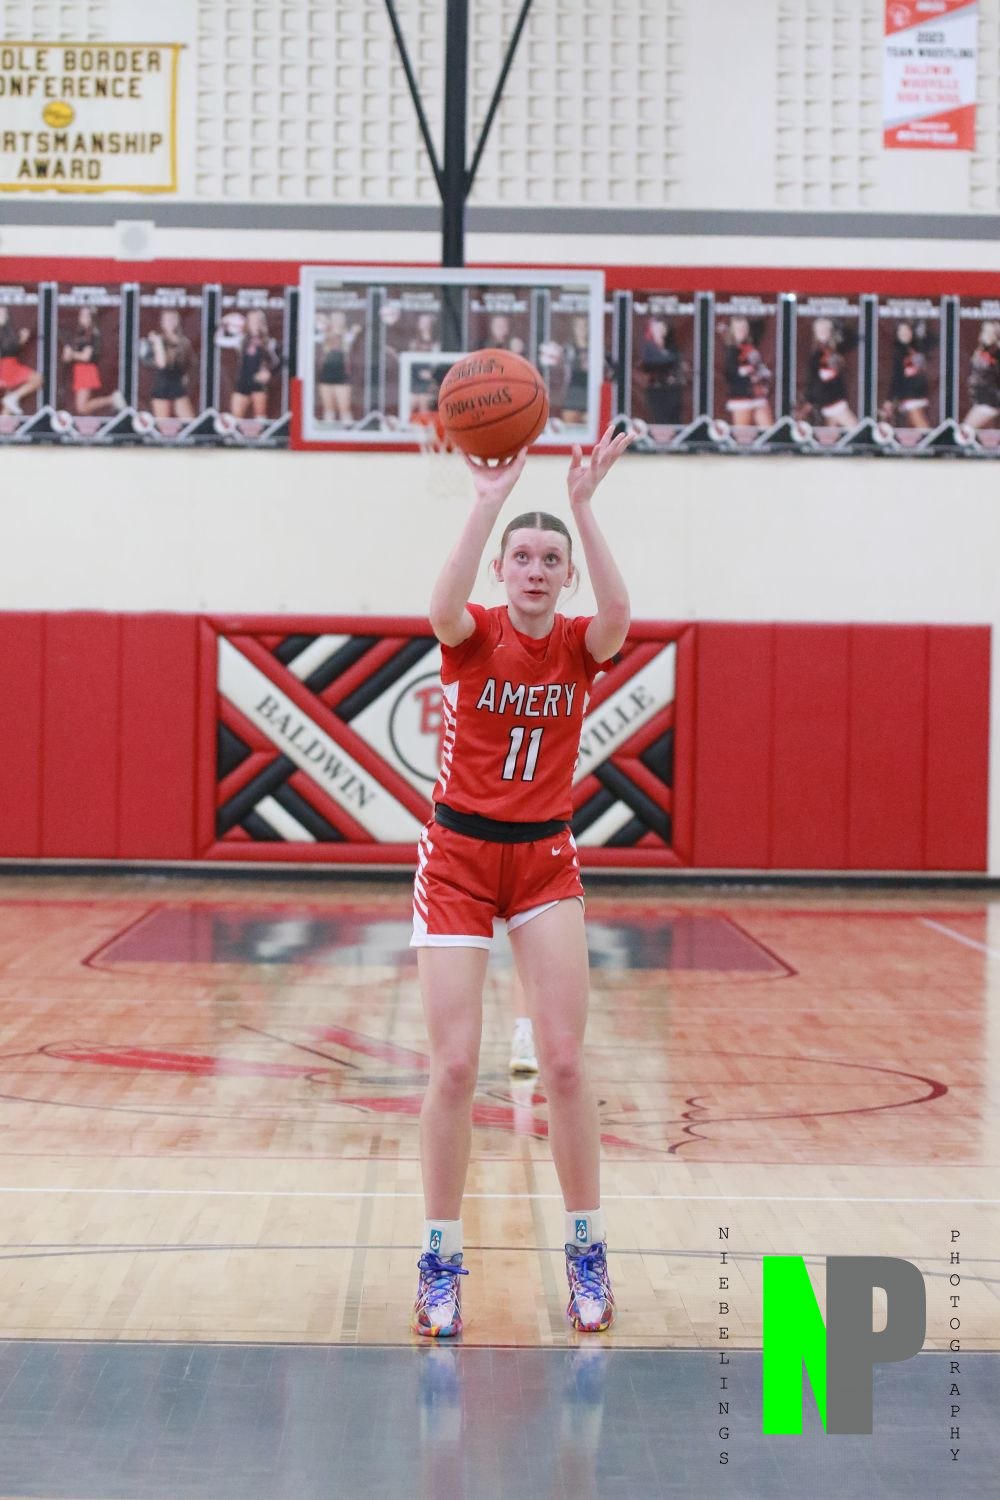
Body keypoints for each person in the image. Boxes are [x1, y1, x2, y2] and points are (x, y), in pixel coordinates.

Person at [410, 421, 633, 1340]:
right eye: (523, 558)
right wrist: (487, 503)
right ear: (502, 571)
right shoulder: (474, 636)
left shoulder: (581, 642)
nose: (536, 570)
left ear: (566, 576)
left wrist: (584, 507)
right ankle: (439, 1261)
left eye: (552, 560)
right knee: (458, 1066)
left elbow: (621, 616)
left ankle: (587, 1249)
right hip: (459, 858)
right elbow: (439, 604)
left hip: (543, 856)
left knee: (567, 1062)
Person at [61, 305, 125, 416]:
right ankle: (111, 400)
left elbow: (86, 356)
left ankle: (111, 399)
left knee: (82, 407)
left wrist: (72, 354)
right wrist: (67, 354)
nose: (82, 318)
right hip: (78, 370)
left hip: (86, 370)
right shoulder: (78, 333)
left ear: (92, 318)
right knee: (82, 407)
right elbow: (68, 357)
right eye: (81, 315)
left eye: (86, 315)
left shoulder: (92, 334)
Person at [228, 308, 281, 420]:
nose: (253, 323)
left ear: (261, 322)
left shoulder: (269, 342)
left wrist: (269, 373)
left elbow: (279, 361)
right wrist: (225, 321)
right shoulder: (241, 340)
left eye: (256, 320)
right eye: (251, 320)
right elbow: (218, 340)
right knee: (235, 419)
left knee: (260, 419)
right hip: (243, 382)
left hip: (258, 384)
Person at [804, 317, 857, 428]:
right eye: (819, 330)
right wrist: (810, 400)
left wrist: (839, 325)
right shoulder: (815, 356)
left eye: (825, 329)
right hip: (832, 402)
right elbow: (813, 380)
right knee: (856, 429)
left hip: (835, 399)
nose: (822, 332)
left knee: (830, 435)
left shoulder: (837, 349)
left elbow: (853, 340)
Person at [143, 309, 195, 421]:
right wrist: (158, 342)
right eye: (166, 319)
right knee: (163, 424)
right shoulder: (156, 339)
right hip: (162, 386)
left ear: (177, 321)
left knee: (190, 422)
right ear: (161, 322)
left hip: (178, 387)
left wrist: (185, 376)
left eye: (172, 319)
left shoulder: (184, 341)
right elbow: (162, 363)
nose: (170, 322)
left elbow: (189, 363)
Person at [721, 316, 773, 427]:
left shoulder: (751, 345)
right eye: (738, 329)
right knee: (744, 433)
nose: (742, 331)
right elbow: (731, 372)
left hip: (758, 394)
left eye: (744, 328)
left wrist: (762, 375)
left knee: (770, 431)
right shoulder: (731, 350)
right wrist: (747, 371)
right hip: (742, 396)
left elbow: (760, 324)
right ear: (732, 331)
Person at [882, 320, 934, 430]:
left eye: (907, 330)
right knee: (923, 427)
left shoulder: (918, 347)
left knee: (919, 427)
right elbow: (896, 378)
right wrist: (889, 399)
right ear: (897, 334)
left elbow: (933, 340)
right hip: (909, 396)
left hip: (921, 395)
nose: (905, 334)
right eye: (901, 331)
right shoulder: (898, 353)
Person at [638, 315, 686, 426]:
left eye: (663, 328)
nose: (661, 331)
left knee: (673, 418)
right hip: (656, 390)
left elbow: (677, 361)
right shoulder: (649, 348)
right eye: (657, 328)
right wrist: (669, 360)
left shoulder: (672, 346)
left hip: (673, 390)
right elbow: (651, 363)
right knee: (660, 418)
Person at [316, 309, 362, 422]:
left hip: (342, 373)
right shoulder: (322, 335)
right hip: (326, 373)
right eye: (334, 319)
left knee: (344, 410)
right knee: (328, 410)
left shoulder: (348, 335)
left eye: (340, 319)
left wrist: (354, 331)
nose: (337, 321)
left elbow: (356, 331)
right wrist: (321, 321)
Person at [0, 306, 43, 416]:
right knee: (36, 379)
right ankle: (12, 399)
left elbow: (10, 348)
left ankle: (12, 400)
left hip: (12, 363)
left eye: (4, 312)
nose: (3, 314)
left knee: (8, 401)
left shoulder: (8, 329)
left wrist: (21, 340)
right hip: (4, 366)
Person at [962, 320, 1000, 430]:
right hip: (979, 398)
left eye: (989, 332)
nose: (984, 335)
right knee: (987, 433)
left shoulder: (996, 351)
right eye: (984, 331)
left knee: (964, 432)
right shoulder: (983, 349)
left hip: (989, 400)